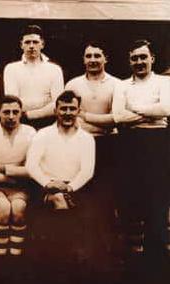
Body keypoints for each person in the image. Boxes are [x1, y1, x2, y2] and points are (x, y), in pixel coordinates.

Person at [26, 90, 95, 283]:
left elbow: (87, 171)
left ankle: (71, 269)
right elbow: (31, 165)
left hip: (76, 189)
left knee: (81, 228)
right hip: (45, 187)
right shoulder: (43, 134)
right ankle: (52, 269)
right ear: (56, 110)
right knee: (54, 213)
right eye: (63, 108)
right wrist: (49, 184)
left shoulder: (87, 138)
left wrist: (69, 188)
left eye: (72, 108)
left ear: (78, 110)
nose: (67, 113)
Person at [112, 39, 170, 265]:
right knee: (131, 195)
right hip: (129, 143)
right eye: (134, 58)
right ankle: (133, 253)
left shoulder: (164, 82)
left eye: (143, 57)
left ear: (152, 59)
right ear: (129, 61)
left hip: (157, 142)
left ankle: (157, 255)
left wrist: (134, 111)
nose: (139, 62)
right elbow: (118, 116)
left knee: (157, 195)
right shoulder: (122, 86)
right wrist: (150, 113)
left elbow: (166, 108)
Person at [65, 42, 121, 270]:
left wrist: (85, 115)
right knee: (79, 194)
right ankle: (80, 251)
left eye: (97, 55)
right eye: (89, 56)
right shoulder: (74, 84)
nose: (93, 59)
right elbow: (66, 115)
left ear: (105, 58)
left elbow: (116, 118)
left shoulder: (117, 84)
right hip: (80, 144)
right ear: (83, 59)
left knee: (106, 198)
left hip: (108, 145)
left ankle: (106, 253)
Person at [0, 95, 35, 263]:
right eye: (6, 112)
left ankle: (15, 260)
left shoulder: (30, 133)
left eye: (15, 112)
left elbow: (32, 170)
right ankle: (0, 259)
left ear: (21, 113)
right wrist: (15, 176)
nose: (11, 116)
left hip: (20, 189)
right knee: (2, 207)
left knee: (18, 208)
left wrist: (4, 168)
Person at [3, 24, 64, 129]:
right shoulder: (11, 69)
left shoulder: (55, 70)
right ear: (21, 45)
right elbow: (13, 102)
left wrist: (29, 114)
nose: (31, 46)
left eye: (35, 42)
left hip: (48, 124)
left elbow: (58, 104)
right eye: (27, 42)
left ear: (42, 44)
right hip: (20, 123)